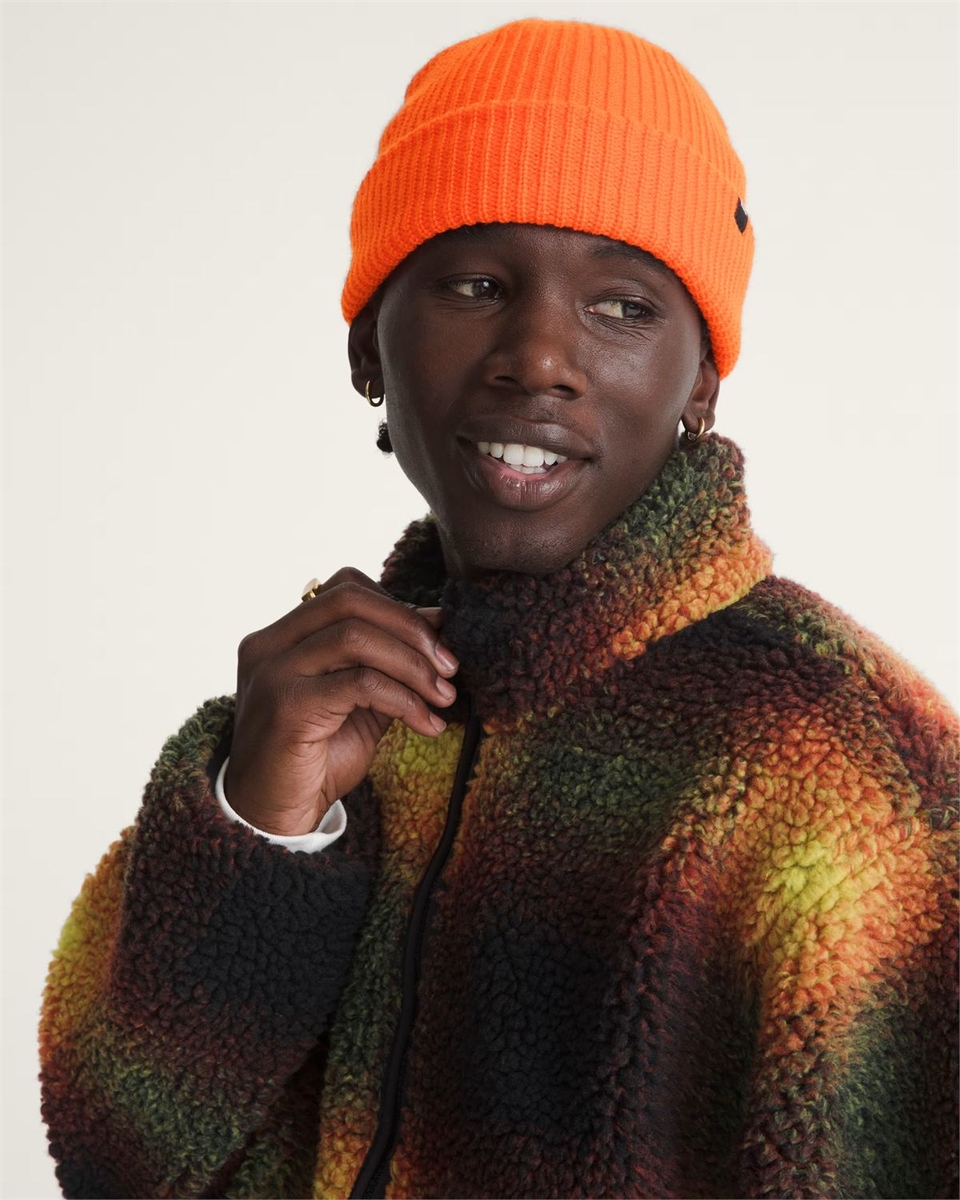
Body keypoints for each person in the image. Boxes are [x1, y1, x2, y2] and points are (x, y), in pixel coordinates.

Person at [39, 17, 957, 1200]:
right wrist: (260, 835)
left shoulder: (850, 772)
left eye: (623, 307)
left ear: (702, 383)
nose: (539, 357)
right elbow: (115, 1165)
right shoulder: (318, 726)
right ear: (369, 350)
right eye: (475, 285)